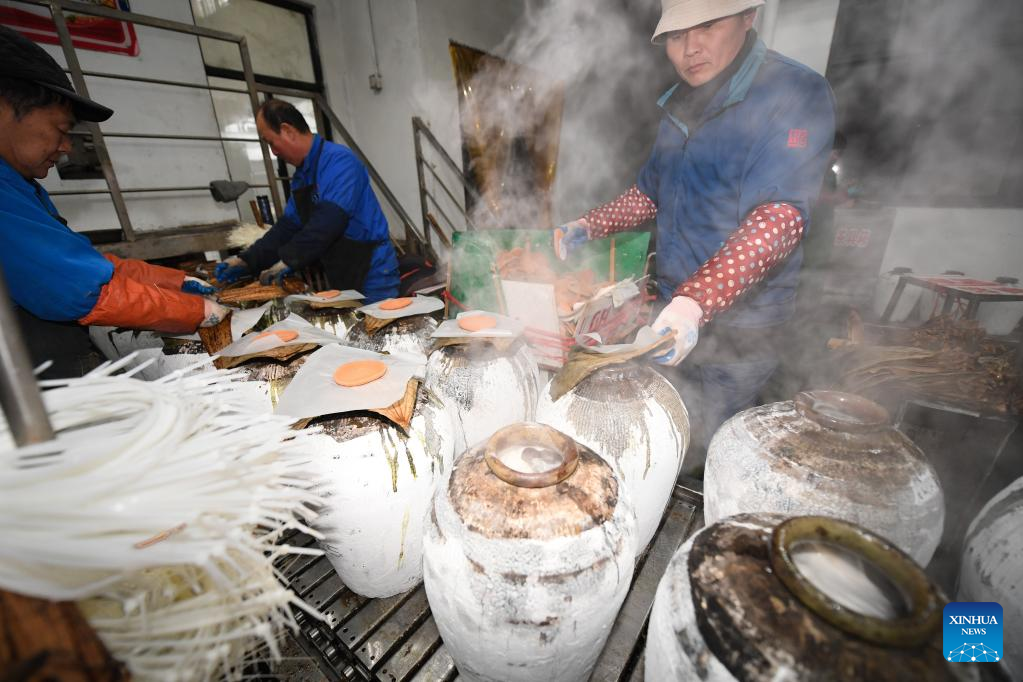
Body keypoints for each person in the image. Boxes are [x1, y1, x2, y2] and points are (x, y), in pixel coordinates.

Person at [555, 0, 835, 465]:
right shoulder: (677, 108)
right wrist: (590, 223)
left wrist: (698, 300)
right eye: (676, 35)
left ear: (748, 17)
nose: (690, 48)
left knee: (713, 452)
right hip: (672, 322)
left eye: (707, 26)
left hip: (742, 334)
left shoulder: (795, 92)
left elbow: (781, 216)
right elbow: (650, 193)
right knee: (663, 439)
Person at [0, 26, 226, 377]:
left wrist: (175, 281)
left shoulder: (21, 186)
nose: (66, 148)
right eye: (61, 131)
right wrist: (197, 311)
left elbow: (88, 264)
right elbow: (85, 289)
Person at [216, 100, 400, 302]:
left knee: (379, 327)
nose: (273, 152)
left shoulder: (339, 162)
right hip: (341, 270)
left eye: (270, 142)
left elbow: (329, 221)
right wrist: (247, 260)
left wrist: (288, 260)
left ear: (287, 130)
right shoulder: (302, 177)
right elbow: (287, 228)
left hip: (372, 270)